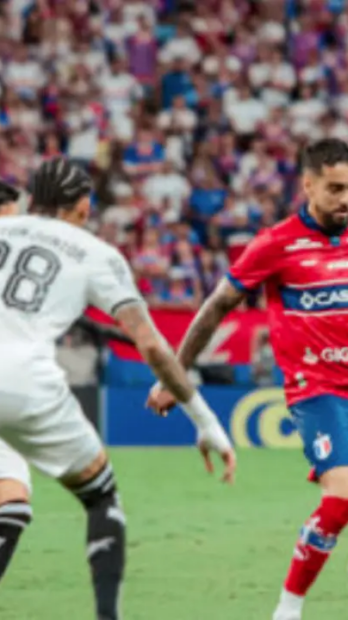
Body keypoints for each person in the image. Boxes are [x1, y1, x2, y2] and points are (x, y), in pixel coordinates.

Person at [146, 138, 348, 620]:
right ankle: (289, 608)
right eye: (334, 188)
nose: (345, 199)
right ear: (307, 184)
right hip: (320, 394)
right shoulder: (276, 244)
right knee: (344, 499)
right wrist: (175, 373)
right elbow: (216, 306)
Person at [0, 160, 235, 620]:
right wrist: (205, 421)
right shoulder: (95, 253)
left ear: (32, 200)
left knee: (12, 498)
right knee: (100, 496)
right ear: (84, 208)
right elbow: (150, 344)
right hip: (22, 384)